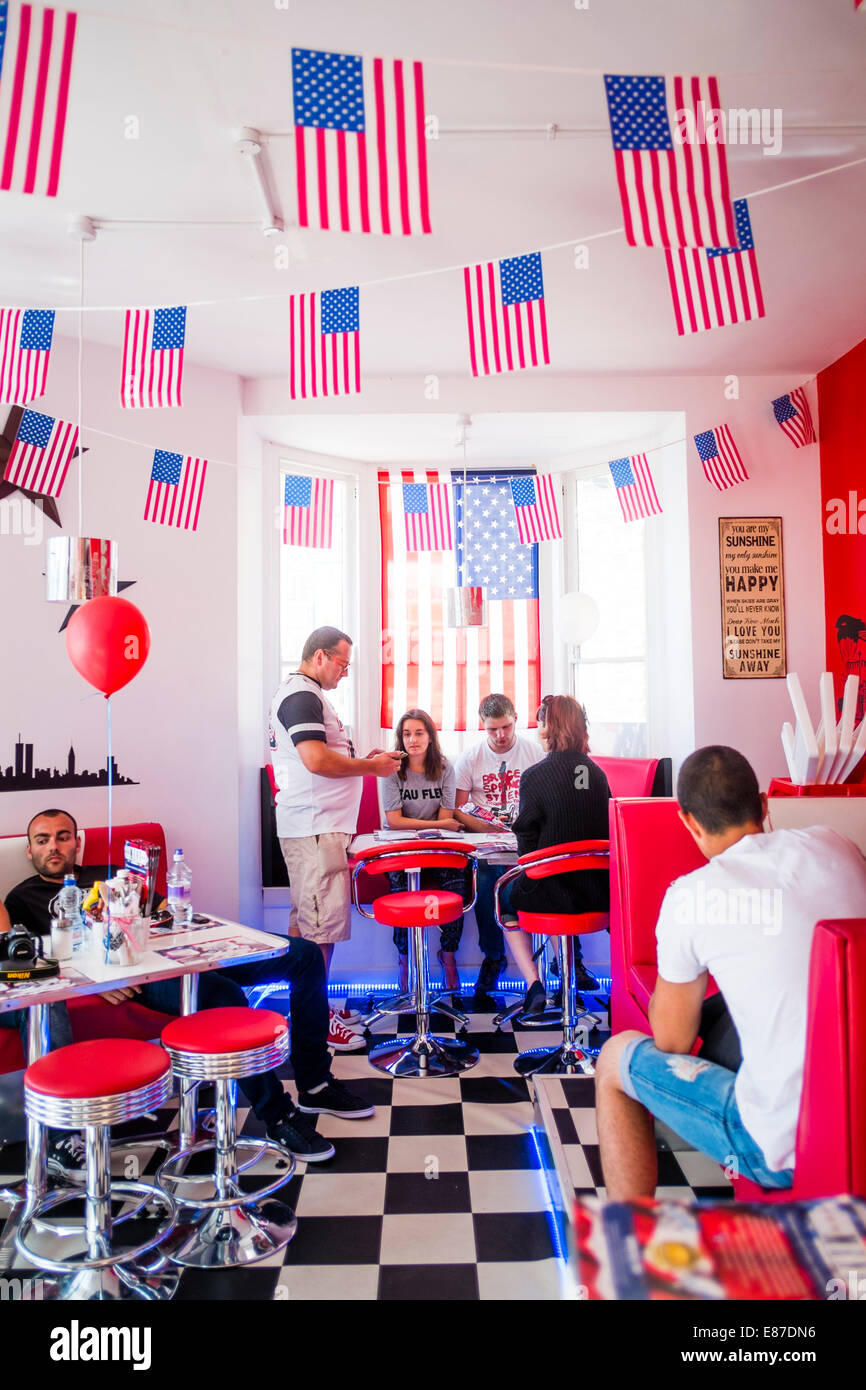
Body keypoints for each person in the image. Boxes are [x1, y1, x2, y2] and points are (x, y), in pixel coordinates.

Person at [4, 808, 377, 1167]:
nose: (53, 846)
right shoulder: (22, 898)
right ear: (30, 850)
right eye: (43, 840)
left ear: (76, 844)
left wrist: (177, 923)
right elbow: (32, 961)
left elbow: (167, 912)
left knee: (306, 955)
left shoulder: (109, 875)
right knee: (225, 996)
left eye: (62, 837)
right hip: (140, 977)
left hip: (179, 952)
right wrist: (94, 982)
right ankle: (278, 1116)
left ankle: (314, 1083)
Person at [595, 746, 866, 1200]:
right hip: (855, 1109)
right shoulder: (837, 844)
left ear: (688, 823)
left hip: (784, 1146)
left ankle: (631, 1241)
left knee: (613, 1058)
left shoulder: (690, 895)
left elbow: (673, 1043)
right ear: (763, 804)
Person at [269, 626, 402, 1043]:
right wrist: (371, 768)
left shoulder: (308, 695)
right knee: (320, 930)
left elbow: (325, 757)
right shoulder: (301, 695)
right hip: (314, 828)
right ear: (321, 656)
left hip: (317, 827)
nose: (345, 672)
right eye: (343, 663)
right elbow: (314, 759)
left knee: (308, 925)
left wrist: (364, 761)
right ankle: (315, 1022)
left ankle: (312, 1003)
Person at [499, 696, 610, 1013]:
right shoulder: (597, 774)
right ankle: (569, 971)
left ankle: (534, 983)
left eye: (541, 722)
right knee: (561, 885)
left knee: (504, 896)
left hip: (553, 896)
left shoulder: (535, 776)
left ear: (550, 726)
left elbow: (527, 850)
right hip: (598, 895)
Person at [453, 693, 544, 1000]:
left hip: (525, 843)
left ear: (516, 718)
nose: (501, 735)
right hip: (485, 845)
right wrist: (489, 827)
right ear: (483, 726)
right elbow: (459, 809)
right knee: (487, 885)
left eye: (505, 727)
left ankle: (548, 967)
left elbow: (547, 803)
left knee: (516, 888)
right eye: (493, 730)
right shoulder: (471, 758)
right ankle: (494, 956)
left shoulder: (533, 752)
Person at [381, 708, 466, 992]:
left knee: (459, 888)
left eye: (419, 733)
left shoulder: (445, 767)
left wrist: (432, 824)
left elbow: (447, 815)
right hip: (402, 848)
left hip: (437, 847)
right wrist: (431, 824)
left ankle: (449, 957)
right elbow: (394, 821)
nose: (412, 740)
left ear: (430, 737)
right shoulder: (391, 769)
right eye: (406, 734)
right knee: (401, 892)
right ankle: (404, 961)